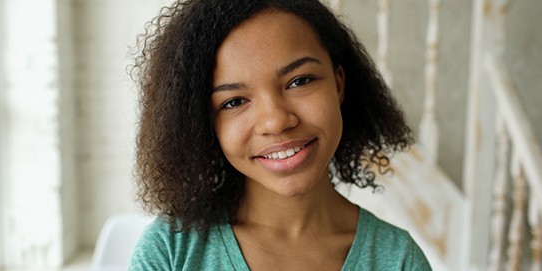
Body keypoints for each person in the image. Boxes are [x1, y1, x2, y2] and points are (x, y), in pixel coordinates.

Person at [128, 0, 432, 270]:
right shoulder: (169, 254)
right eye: (234, 102)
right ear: (204, 123)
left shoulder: (399, 260)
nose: (275, 122)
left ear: (338, 85)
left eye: (299, 81)